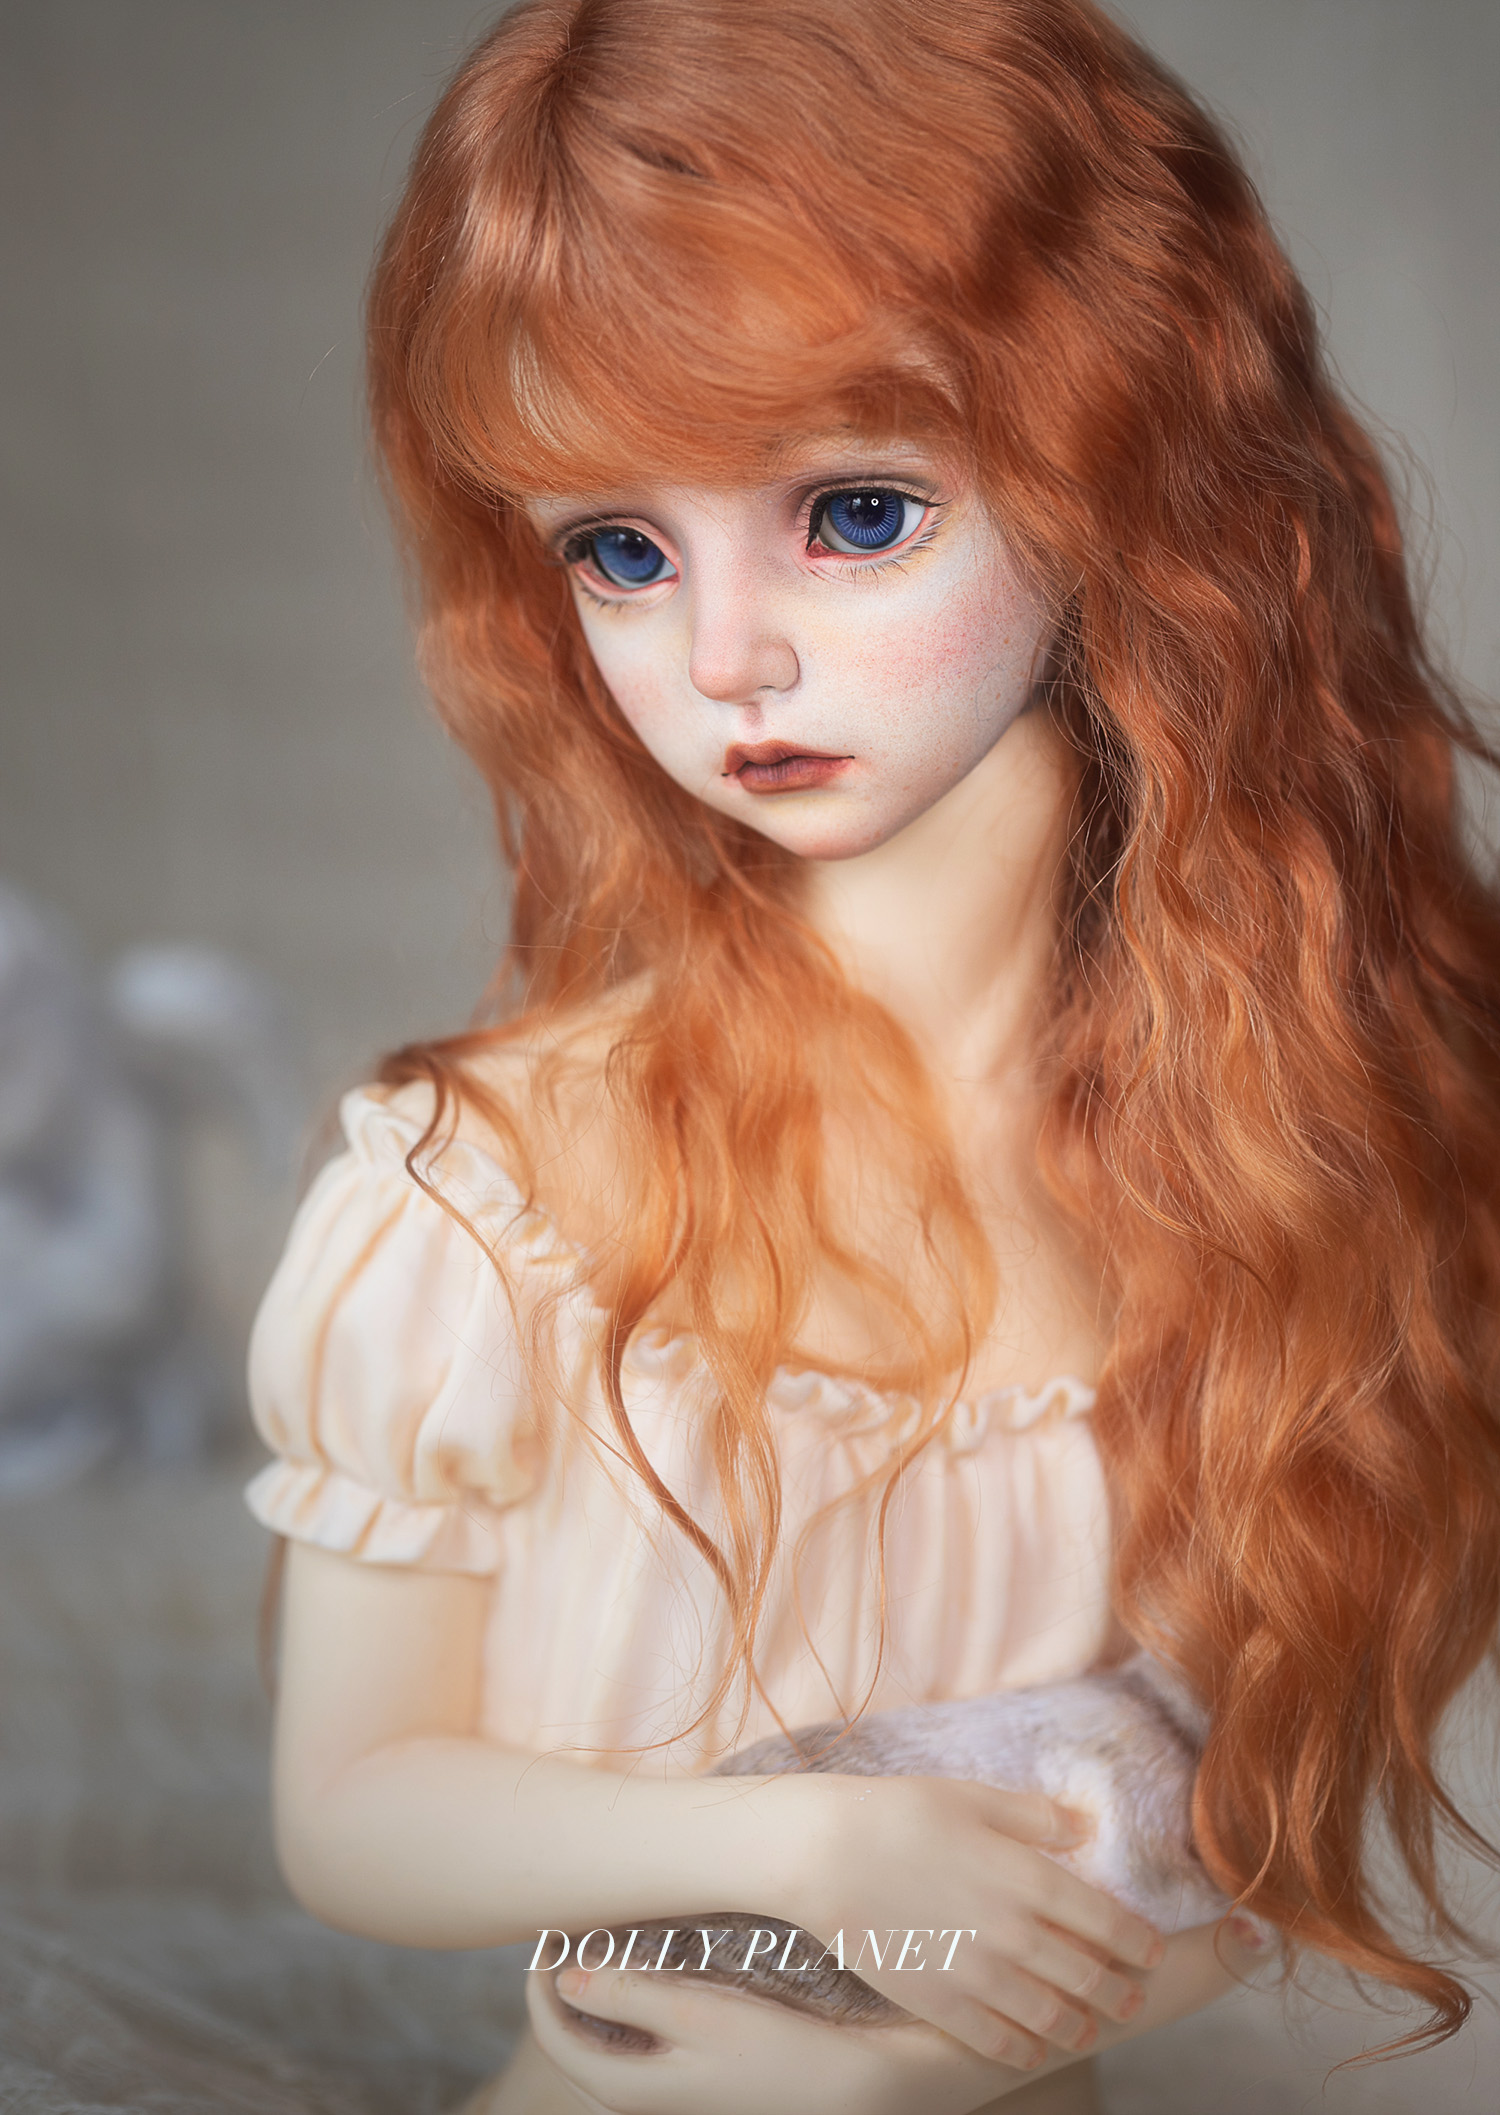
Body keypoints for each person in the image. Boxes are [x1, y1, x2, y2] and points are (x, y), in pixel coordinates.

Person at [244, 2, 1500, 2109]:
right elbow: (350, 1811)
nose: (724, 655)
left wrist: (928, 2051)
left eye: (853, 512)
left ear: (1128, 469)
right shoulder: (485, 1196)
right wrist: (809, 1851)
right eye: (619, 551)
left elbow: (1252, 1830)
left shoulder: (1296, 1166)